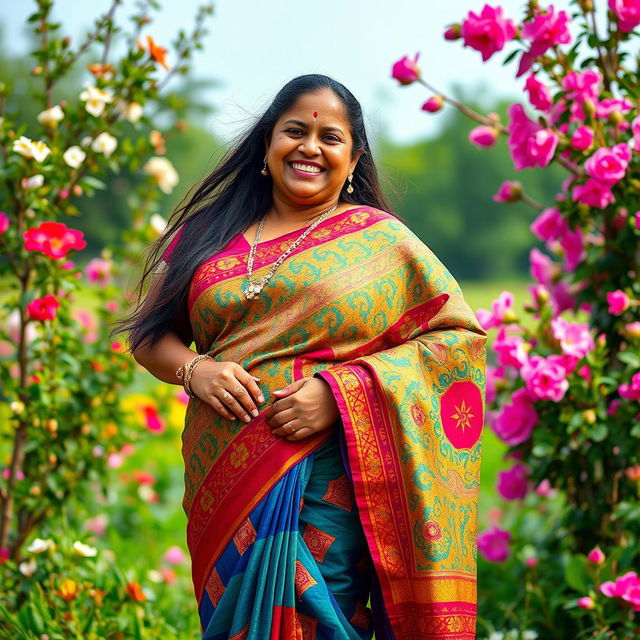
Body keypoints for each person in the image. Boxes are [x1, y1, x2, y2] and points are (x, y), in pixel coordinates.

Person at [115, 74, 488, 640]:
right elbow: (148, 336)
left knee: (323, 621)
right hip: (225, 486)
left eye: (330, 137)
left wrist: (342, 395)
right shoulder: (204, 235)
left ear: (354, 157)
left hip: (325, 483)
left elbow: (456, 343)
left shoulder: (383, 242)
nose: (310, 147)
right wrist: (196, 370)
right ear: (268, 143)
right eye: (295, 130)